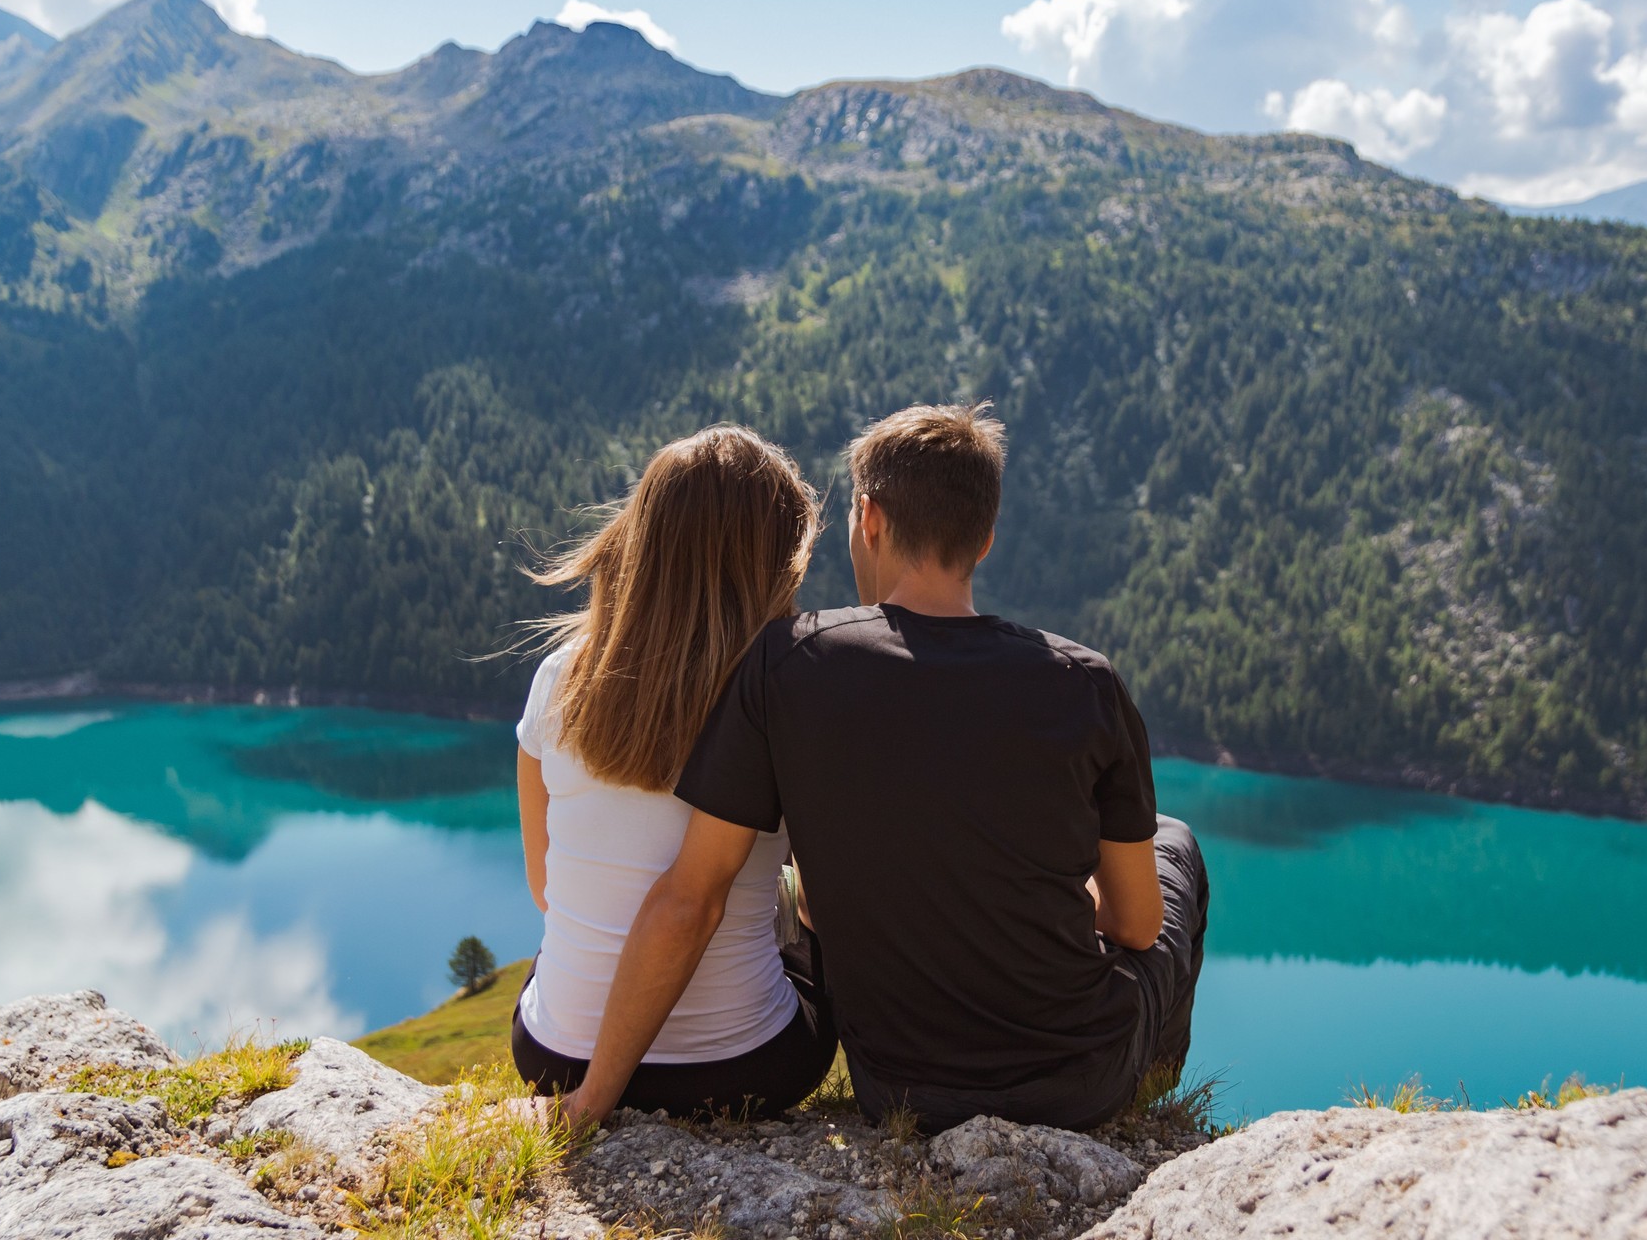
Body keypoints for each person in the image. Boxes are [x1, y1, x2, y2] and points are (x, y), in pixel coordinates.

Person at [555, 402, 1210, 1134]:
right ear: (985, 540)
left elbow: (729, 896)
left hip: (895, 1087)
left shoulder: (788, 665)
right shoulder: (1086, 683)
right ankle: (1151, 1095)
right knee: (1173, 843)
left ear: (868, 518)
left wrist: (589, 1100)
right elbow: (1136, 924)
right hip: (1080, 1084)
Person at [510, 424, 836, 1119]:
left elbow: (545, 886)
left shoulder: (561, 677)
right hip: (745, 1066)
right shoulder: (789, 693)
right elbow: (835, 898)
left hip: (553, 1058)